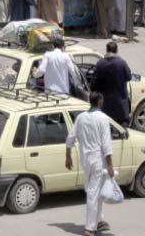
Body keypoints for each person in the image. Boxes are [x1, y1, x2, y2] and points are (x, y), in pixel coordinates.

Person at [65, 91, 115, 236]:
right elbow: (106, 145)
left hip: (85, 160)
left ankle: (99, 220)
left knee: (95, 191)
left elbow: (70, 138)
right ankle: (89, 228)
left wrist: (68, 157)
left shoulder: (81, 117)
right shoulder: (103, 118)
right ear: (99, 101)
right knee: (93, 193)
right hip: (98, 161)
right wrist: (110, 165)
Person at [94, 41, 131, 126]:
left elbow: (95, 81)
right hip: (120, 104)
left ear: (106, 50)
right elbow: (128, 77)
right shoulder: (121, 63)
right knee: (122, 127)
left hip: (104, 103)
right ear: (116, 50)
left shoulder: (100, 64)